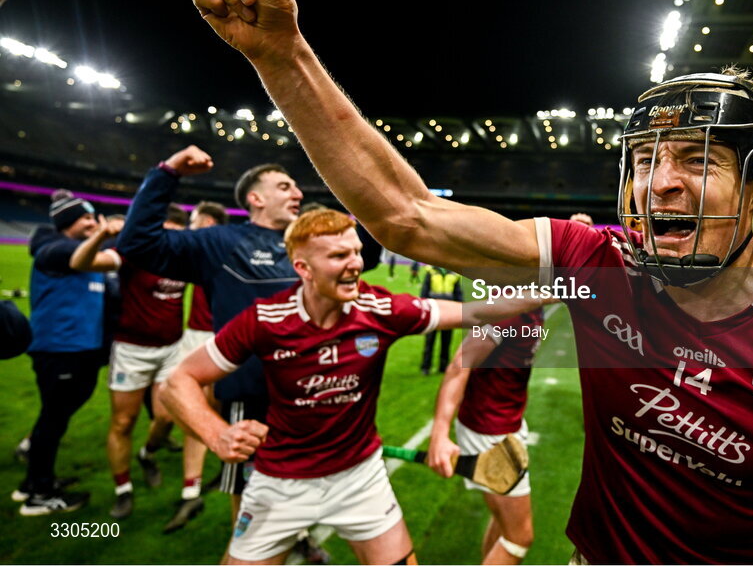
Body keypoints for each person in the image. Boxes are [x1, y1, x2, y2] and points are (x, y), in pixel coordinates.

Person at [170, 0, 753, 562]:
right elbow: (407, 216)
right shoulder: (598, 262)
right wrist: (281, 54)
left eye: (696, 160)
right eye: (643, 160)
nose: (659, 183)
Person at [161, 209, 543, 565]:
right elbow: (178, 381)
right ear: (303, 268)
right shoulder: (266, 320)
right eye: (339, 256)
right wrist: (217, 434)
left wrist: (562, 285)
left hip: (360, 479)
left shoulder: (380, 310)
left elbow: (476, 312)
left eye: (357, 252)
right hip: (280, 481)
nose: (356, 265)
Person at [117, 149, 302, 528]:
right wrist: (166, 173)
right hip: (254, 394)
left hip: (313, 387)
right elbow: (137, 243)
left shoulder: (308, 243)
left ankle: (300, 535)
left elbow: (366, 252)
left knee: (306, 477)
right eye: (285, 186)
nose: (297, 193)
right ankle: (245, 549)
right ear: (256, 198)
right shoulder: (221, 242)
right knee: (251, 489)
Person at [71, 206, 189, 518]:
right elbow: (80, 262)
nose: (172, 241)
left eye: (179, 235)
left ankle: (147, 454)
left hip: (171, 349)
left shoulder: (185, 258)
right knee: (124, 421)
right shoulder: (133, 254)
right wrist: (100, 235)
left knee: (167, 418)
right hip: (132, 350)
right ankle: (123, 489)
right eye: (167, 233)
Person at [427, 307, 545, 564]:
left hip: (507, 422)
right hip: (490, 430)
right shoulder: (509, 307)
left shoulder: (534, 302)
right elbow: (460, 363)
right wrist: (439, 434)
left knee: (507, 524)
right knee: (519, 537)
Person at [16, 190, 104, 515]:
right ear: (68, 223)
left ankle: (36, 480)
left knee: (56, 417)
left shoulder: (80, 250)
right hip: (60, 348)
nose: (93, 224)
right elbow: (79, 253)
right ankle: (40, 494)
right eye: (86, 218)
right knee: (53, 419)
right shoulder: (54, 250)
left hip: (79, 348)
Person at [163, 199, 228, 532]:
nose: (190, 226)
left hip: (229, 336)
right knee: (195, 411)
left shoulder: (231, 246)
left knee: (226, 410)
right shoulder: (197, 249)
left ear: (207, 222)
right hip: (199, 335)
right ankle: (191, 490)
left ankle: (221, 476)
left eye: (194, 221)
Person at [419, 265, 462, 374]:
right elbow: (424, 291)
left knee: (446, 341)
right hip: (433, 311)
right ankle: (426, 367)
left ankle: (443, 367)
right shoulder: (431, 272)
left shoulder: (454, 274)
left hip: (449, 312)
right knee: (429, 341)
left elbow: (458, 293)